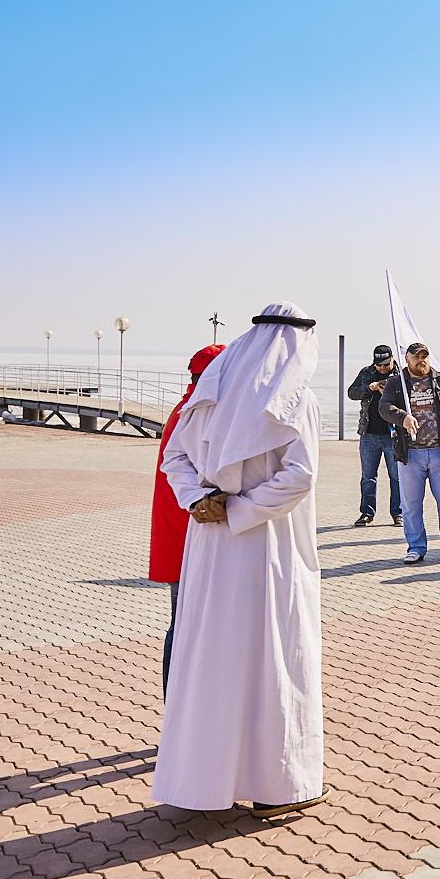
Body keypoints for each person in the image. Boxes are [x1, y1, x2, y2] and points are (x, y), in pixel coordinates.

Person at [155, 301, 326, 818]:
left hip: (210, 544)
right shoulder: (297, 399)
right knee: (275, 657)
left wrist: (201, 501)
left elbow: (174, 457)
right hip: (267, 548)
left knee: (214, 658)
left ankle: (202, 783)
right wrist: (240, 510)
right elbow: (301, 475)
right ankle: (279, 786)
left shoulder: (212, 390)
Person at [148, 342, 224, 697]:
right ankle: (178, 714)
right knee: (185, 628)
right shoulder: (197, 413)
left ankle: (179, 714)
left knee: (183, 626)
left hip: (180, 537)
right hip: (189, 538)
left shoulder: (187, 408)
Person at [382, 341, 440, 564]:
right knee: (411, 506)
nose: (421, 360)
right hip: (410, 455)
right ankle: (415, 547)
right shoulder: (397, 384)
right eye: (416, 357)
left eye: (424, 356)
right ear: (407, 359)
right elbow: (383, 407)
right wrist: (402, 417)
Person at [346, 344, 403, 527]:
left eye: (386, 364)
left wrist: (389, 390)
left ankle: (398, 513)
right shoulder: (367, 372)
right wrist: (369, 388)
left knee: (397, 476)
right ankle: (366, 513)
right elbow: (351, 393)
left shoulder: (400, 375)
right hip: (368, 434)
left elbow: (409, 398)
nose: (383, 368)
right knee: (368, 476)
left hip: (393, 434)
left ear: (393, 359)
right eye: (379, 365)